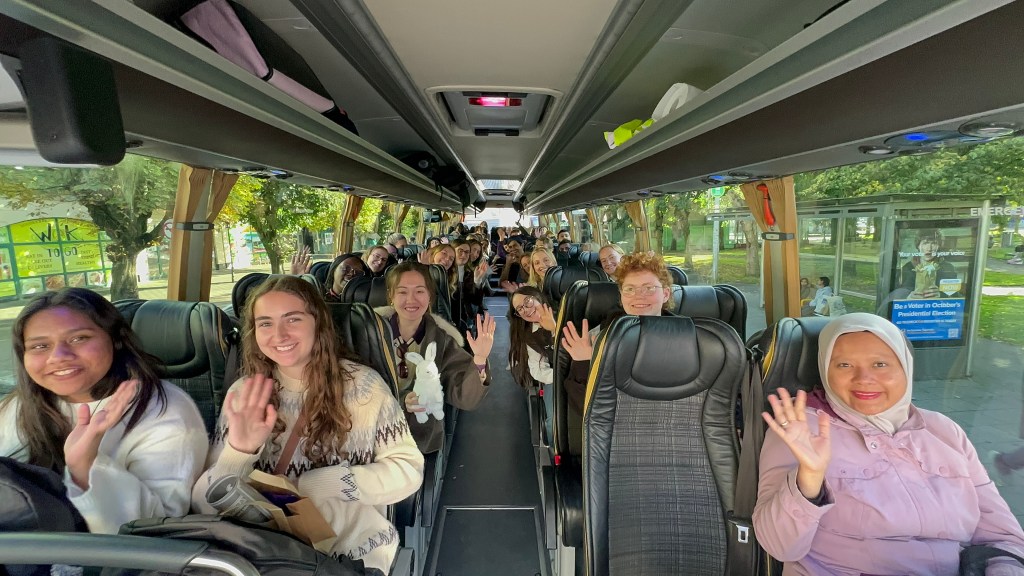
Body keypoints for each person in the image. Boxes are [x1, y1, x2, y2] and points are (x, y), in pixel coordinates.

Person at [753, 313, 1024, 576]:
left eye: (880, 364)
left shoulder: (944, 431)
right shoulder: (800, 432)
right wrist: (808, 481)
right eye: (844, 365)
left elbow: (1003, 536)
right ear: (825, 369)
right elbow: (779, 546)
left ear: (905, 366)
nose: (863, 378)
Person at [192, 276, 422, 573]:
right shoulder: (244, 394)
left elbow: (408, 471)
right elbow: (204, 504)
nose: (279, 335)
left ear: (318, 323)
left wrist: (323, 484)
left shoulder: (364, 388)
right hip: (261, 553)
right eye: (265, 323)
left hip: (349, 553)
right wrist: (239, 452)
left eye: (293, 319)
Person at [0, 288, 207, 534]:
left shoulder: (164, 410)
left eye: (79, 338)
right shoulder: (18, 406)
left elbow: (155, 530)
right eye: (40, 346)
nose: (58, 357)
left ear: (116, 340)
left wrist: (85, 467)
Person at [374, 262, 495, 453]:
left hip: (415, 438)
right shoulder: (368, 332)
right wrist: (401, 400)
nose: (411, 300)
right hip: (368, 432)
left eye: (420, 291)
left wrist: (479, 359)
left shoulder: (442, 340)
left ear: (430, 296)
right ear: (391, 296)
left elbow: (465, 397)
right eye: (403, 292)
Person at [561, 252, 672, 417]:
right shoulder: (598, 338)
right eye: (630, 289)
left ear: (665, 294)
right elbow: (585, 406)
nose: (638, 295)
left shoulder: (692, 339)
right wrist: (585, 362)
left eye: (649, 288)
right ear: (621, 295)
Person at [508, 286, 557, 438]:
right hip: (556, 378)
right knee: (552, 424)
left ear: (538, 297)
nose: (526, 310)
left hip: (587, 374)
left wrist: (554, 330)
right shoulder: (530, 335)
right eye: (520, 309)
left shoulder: (567, 313)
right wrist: (560, 377)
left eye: (527, 301)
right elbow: (537, 370)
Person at [898, 229, 959, 299]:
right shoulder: (907, 268)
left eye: (933, 243)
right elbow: (897, 294)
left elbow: (954, 296)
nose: (929, 248)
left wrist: (942, 295)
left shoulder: (948, 268)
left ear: (938, 246)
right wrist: (908, 297)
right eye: (925, 243)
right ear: (918, 245)